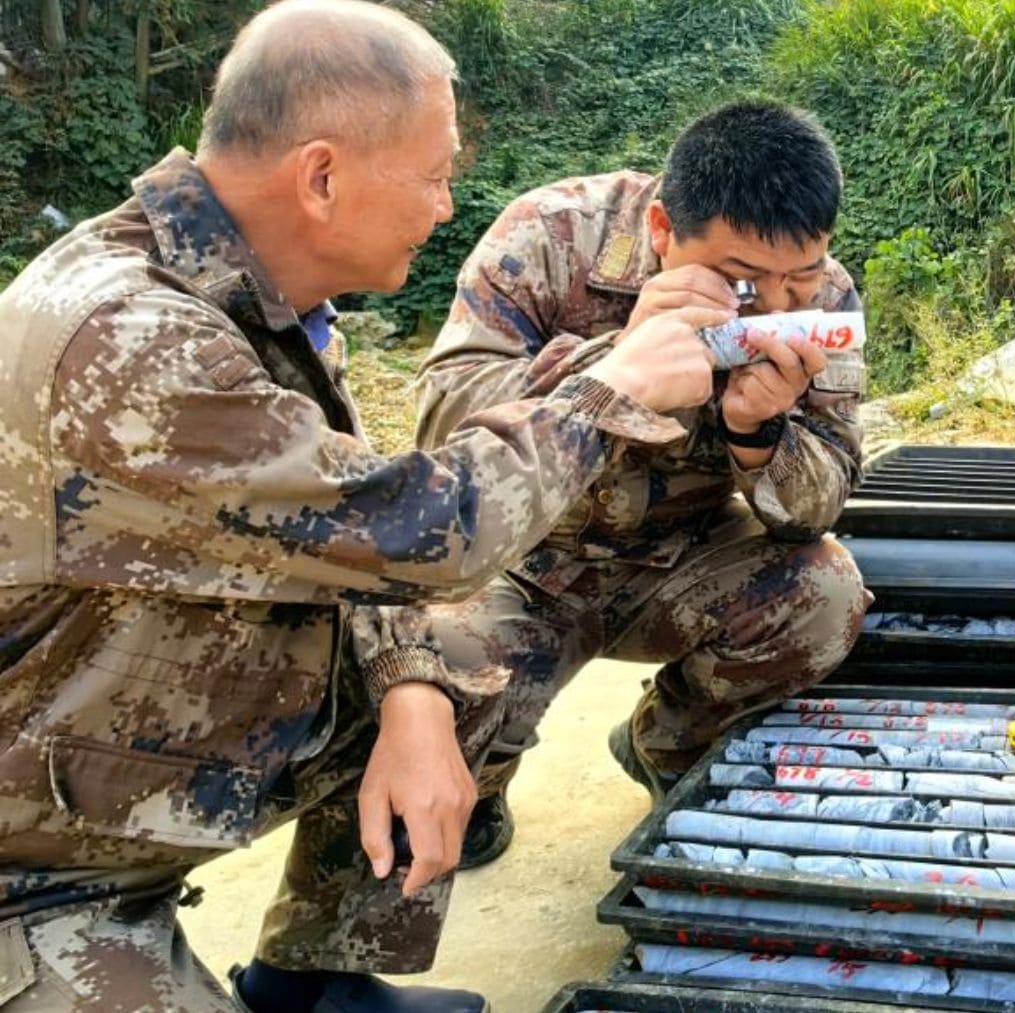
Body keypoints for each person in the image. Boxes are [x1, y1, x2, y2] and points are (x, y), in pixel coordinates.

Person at [0, 2, 720, 1009]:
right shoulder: (130, 340)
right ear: (322, 175)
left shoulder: (241, 296)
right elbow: (418, 529)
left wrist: (416, 695)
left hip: (106, 778)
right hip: (29, 870)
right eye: (435, 174)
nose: (442, 205)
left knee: (463, 656)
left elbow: (343, 543)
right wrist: (612, 389)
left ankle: (316, 978)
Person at [414, 101, 871, 866]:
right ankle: (481, 781)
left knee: (825, 594)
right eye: (743, 282)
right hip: (526, 558)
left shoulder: (823, 297)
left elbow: (819, 503)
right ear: (662, 230)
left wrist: (759, 438)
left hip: (683, 556)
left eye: (802, 277)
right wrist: (614, 363)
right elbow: (441, 432)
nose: (778, 305)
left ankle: (665, 741)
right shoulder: (550, 235)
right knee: (429, 669)